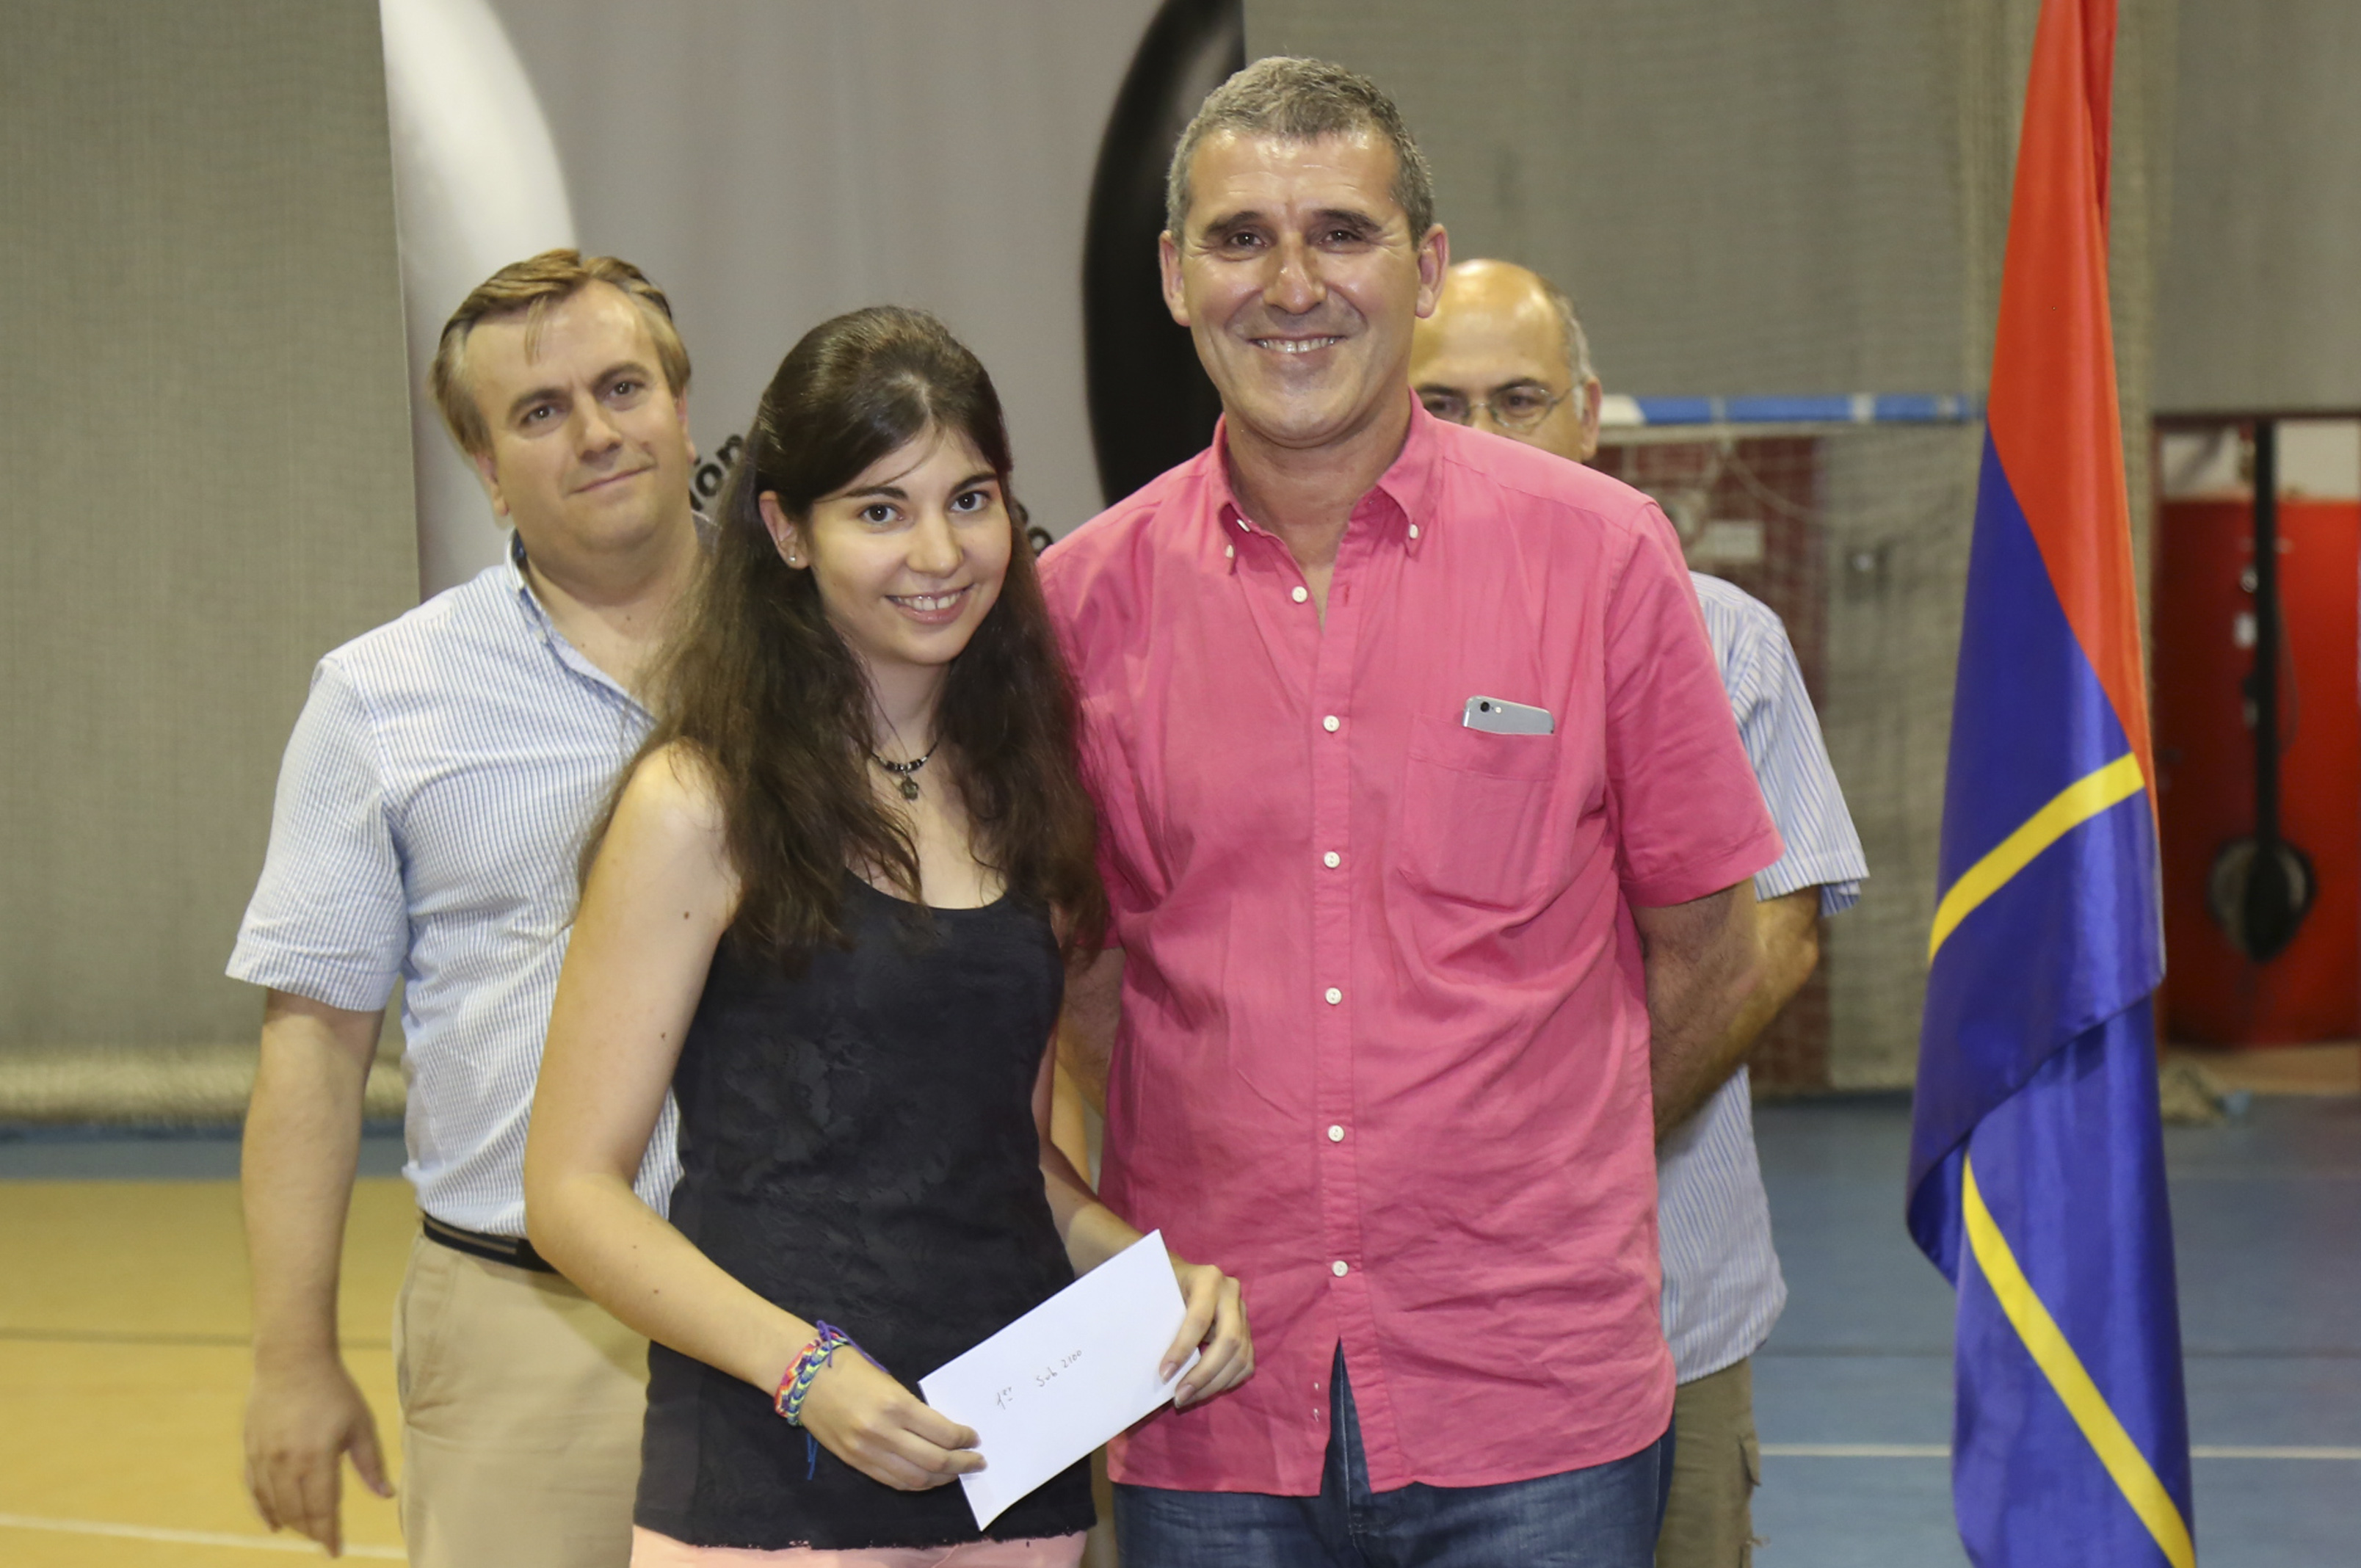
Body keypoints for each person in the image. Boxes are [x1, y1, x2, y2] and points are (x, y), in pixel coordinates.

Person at [1040, 59, 1784, 1568]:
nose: (1291, 285)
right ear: (1176, 278)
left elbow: (1711, 948)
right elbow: (1083, 984)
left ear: (1425, 269)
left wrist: (1528, 1179)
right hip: (1210, 1405)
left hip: (1536, 1404)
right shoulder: (1080, 604)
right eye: (1241, 238)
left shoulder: (1603, 559)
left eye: (1343, 233)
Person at [521, 306, 1253, 1566]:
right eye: (880, 509)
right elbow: (572, 1193)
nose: (940, 552)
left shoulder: (1025, 789)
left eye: (970, 500)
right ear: (785, 531)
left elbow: (1013, 1160)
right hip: (779, 1479)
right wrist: (803, 1372)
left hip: (1008, 1473)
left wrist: (1152, 1278)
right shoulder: (699, 802)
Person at [230, 249, 702, 1566]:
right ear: (487, 470)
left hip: (813, 1310)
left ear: (682, 409)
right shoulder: (382, 700)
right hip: (524, 1337)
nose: (596, 432)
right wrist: (290, 1357)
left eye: (623, 387)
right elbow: (313, 1049)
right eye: (541, 412)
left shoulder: (833, 648)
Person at [1411, 258, 1870, 1568]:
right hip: (1396, 1331)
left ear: (1589, 414)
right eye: (1441, 404)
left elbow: (1771, 948)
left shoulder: (1722, 637)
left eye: (1520, 398)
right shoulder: (1330, 646)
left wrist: (1540, 1187)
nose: (1485, 436)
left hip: (1671, 1309)